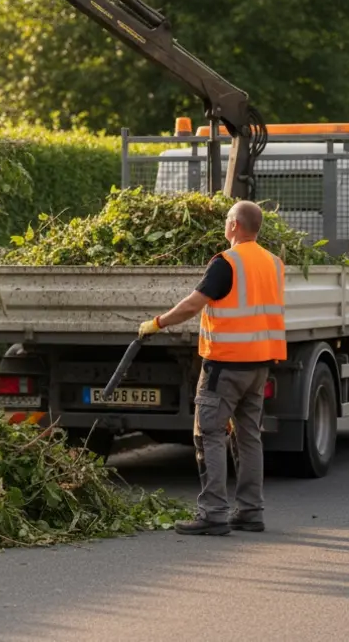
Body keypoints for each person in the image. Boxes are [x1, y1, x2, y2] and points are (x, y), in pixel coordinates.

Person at [137, 200, 286, 535]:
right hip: (260, 363)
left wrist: (158, 323)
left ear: (234, 225)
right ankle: (250, 511)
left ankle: (213, 514)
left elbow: (194, 303)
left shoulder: (227, 262)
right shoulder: (274, 263)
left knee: (210, 435)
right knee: (249, 438)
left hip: (225, 365)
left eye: (226, 220)